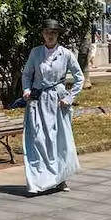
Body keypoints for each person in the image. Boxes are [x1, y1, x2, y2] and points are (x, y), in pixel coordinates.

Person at [22, 19, 85, 195]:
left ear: (57, 35)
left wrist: (69, 97)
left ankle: (60, 179)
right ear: (42, 34)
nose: (50, 36)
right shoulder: (35, 53)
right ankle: (38, 180)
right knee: (38, 140)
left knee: (59, 139)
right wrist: (27, 90)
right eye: (47, 32)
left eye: (54, 33)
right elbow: (26, 74)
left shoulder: (66, 54)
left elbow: (79, 77)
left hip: (57, 102)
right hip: (38, 102)